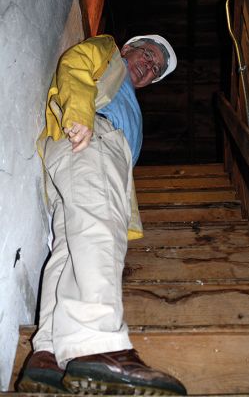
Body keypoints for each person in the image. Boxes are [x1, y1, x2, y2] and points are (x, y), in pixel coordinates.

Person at [17, 34, 187, 395]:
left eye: (156, 69)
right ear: (128, 48)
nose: (149, 66)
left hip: (88, 153)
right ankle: (98, 345)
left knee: (69, 253)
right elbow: (75, 62)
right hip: (91, 139)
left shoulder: (127, 97)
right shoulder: (107, 52)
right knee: (96, 234)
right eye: (147, 54)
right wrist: (79, 115)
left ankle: (47, 355)